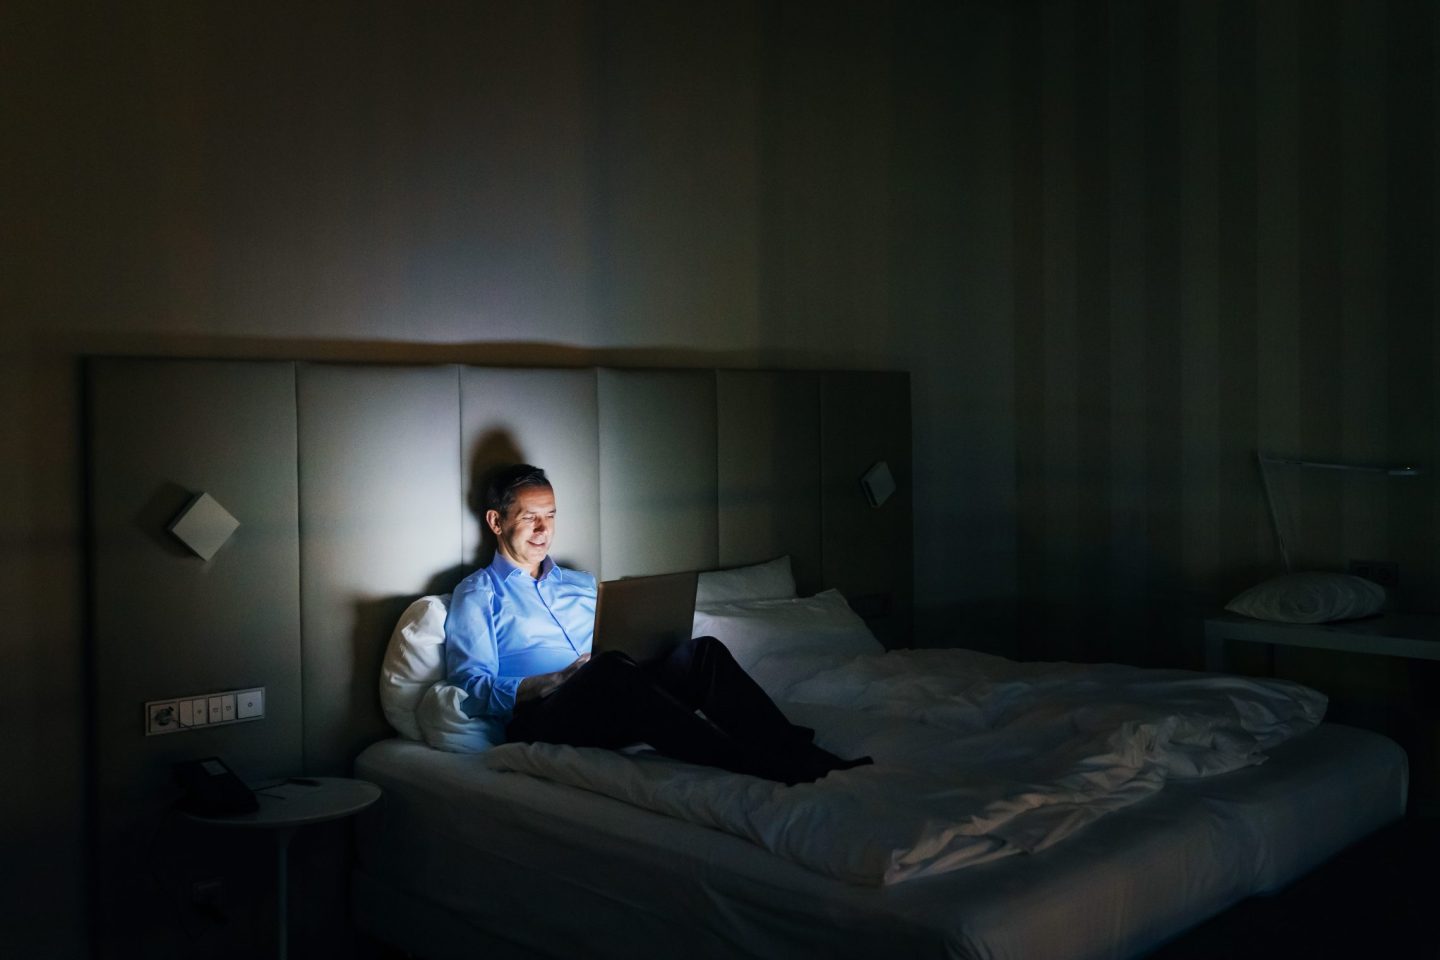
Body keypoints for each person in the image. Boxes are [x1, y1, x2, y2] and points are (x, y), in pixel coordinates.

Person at [444, 463, 871, 784]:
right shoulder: (478, 594)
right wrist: (552, 680)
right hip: (542, 718)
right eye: (529, 517)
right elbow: (470, 687)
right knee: (608, 669)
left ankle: (796, 751)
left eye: (551, 515)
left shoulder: (581, 583)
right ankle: (748, 763)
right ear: (496, 522)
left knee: (700, 653)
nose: (543, 529)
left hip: (615, 692)